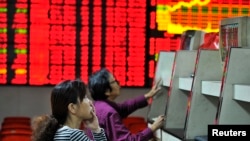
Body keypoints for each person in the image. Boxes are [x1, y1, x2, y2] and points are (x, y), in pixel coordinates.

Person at [87, 68, 165, 141]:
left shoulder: (98, 105)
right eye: (115, 81)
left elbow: (123, 108)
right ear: (107, 91)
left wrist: (148, 95)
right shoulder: (108, 112)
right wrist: (152, 128)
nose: (119, 84)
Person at [31, 79, 107, 141]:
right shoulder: (73, 135)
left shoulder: (58, 132)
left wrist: (94, 128)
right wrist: (97, 130)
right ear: (72, 108)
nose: (90, 102)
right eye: (84, 97)